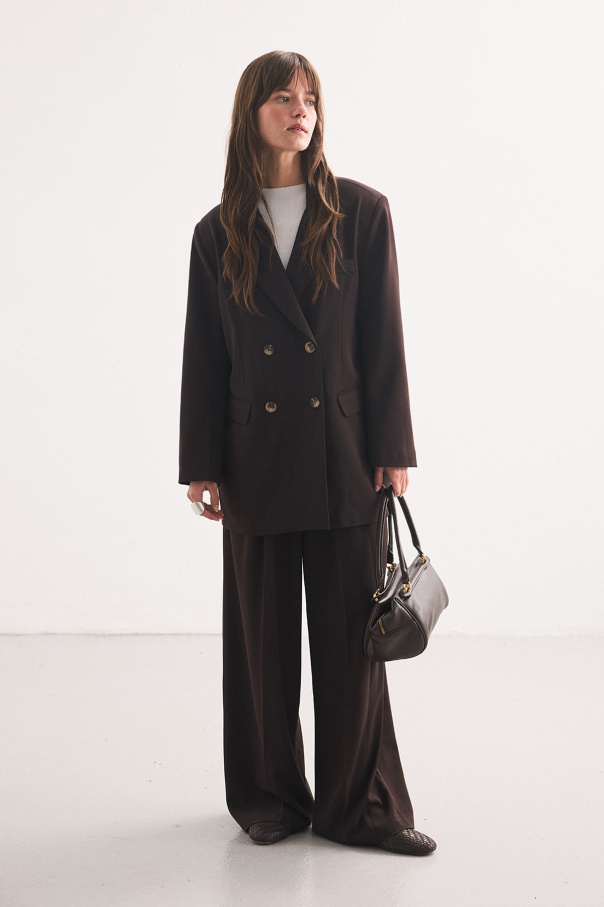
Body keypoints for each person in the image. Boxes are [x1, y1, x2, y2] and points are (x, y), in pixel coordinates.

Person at [178, 50, 436, 855]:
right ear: (250, 112)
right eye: (283, 97)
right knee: (261, 643)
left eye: (310, 98)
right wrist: (201, 462)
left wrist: (392, 446)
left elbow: (383, 337)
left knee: (352, 643)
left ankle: (362, 807)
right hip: (254, 455)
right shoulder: (217, 230)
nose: (300, 110)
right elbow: (204, 355)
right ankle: (270, 798)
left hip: (345, 452)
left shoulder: (361, 211)